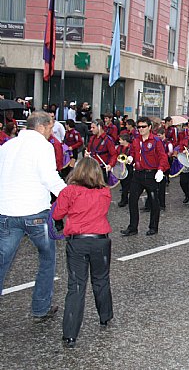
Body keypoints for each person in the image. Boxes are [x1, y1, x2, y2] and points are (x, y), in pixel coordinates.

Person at [0, 111, 67, 319]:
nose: (50, 132)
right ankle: (40, 308)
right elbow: (50, 178)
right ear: (41, 127)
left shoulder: (8, 145)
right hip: (35, 213)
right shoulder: (43, 146)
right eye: (50, 128)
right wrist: (71, 198)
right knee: (47, 259)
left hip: (7, 212)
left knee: (2, 260)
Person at [52, 157, 113, 348]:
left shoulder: (69, 191)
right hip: (100, 240)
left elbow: (57, 215)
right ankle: (105, 316)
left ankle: (70, 334)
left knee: (76, 286)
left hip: (77, 242)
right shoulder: (104, 192)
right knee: (101, 279)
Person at [120, 117, 169, 236]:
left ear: (149, 127)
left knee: (153, 202)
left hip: (151, 174)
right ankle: (132, 227)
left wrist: (160, 170)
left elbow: (163, 157)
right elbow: (133, 153)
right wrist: (131, 158)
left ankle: (153, 227)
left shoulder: (156, 141)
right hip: (138, 174)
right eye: (139, 127)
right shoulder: (136, 141)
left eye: (143, 127)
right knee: (132, 200)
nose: (140, 129)